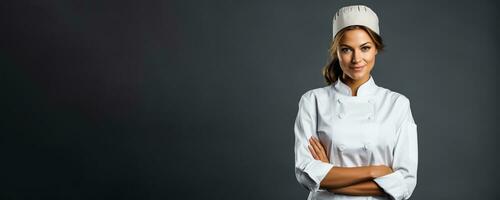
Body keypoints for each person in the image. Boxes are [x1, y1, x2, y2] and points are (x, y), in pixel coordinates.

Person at [294, 5, 418, 200]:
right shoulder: (313, 101)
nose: (356, 58)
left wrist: (329, 175)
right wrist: (374, 171)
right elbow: (305, 172)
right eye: (346, 50)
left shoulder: (397, 104)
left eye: (365, 48)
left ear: (376, 48)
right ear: (336, 52)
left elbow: (404, 184)